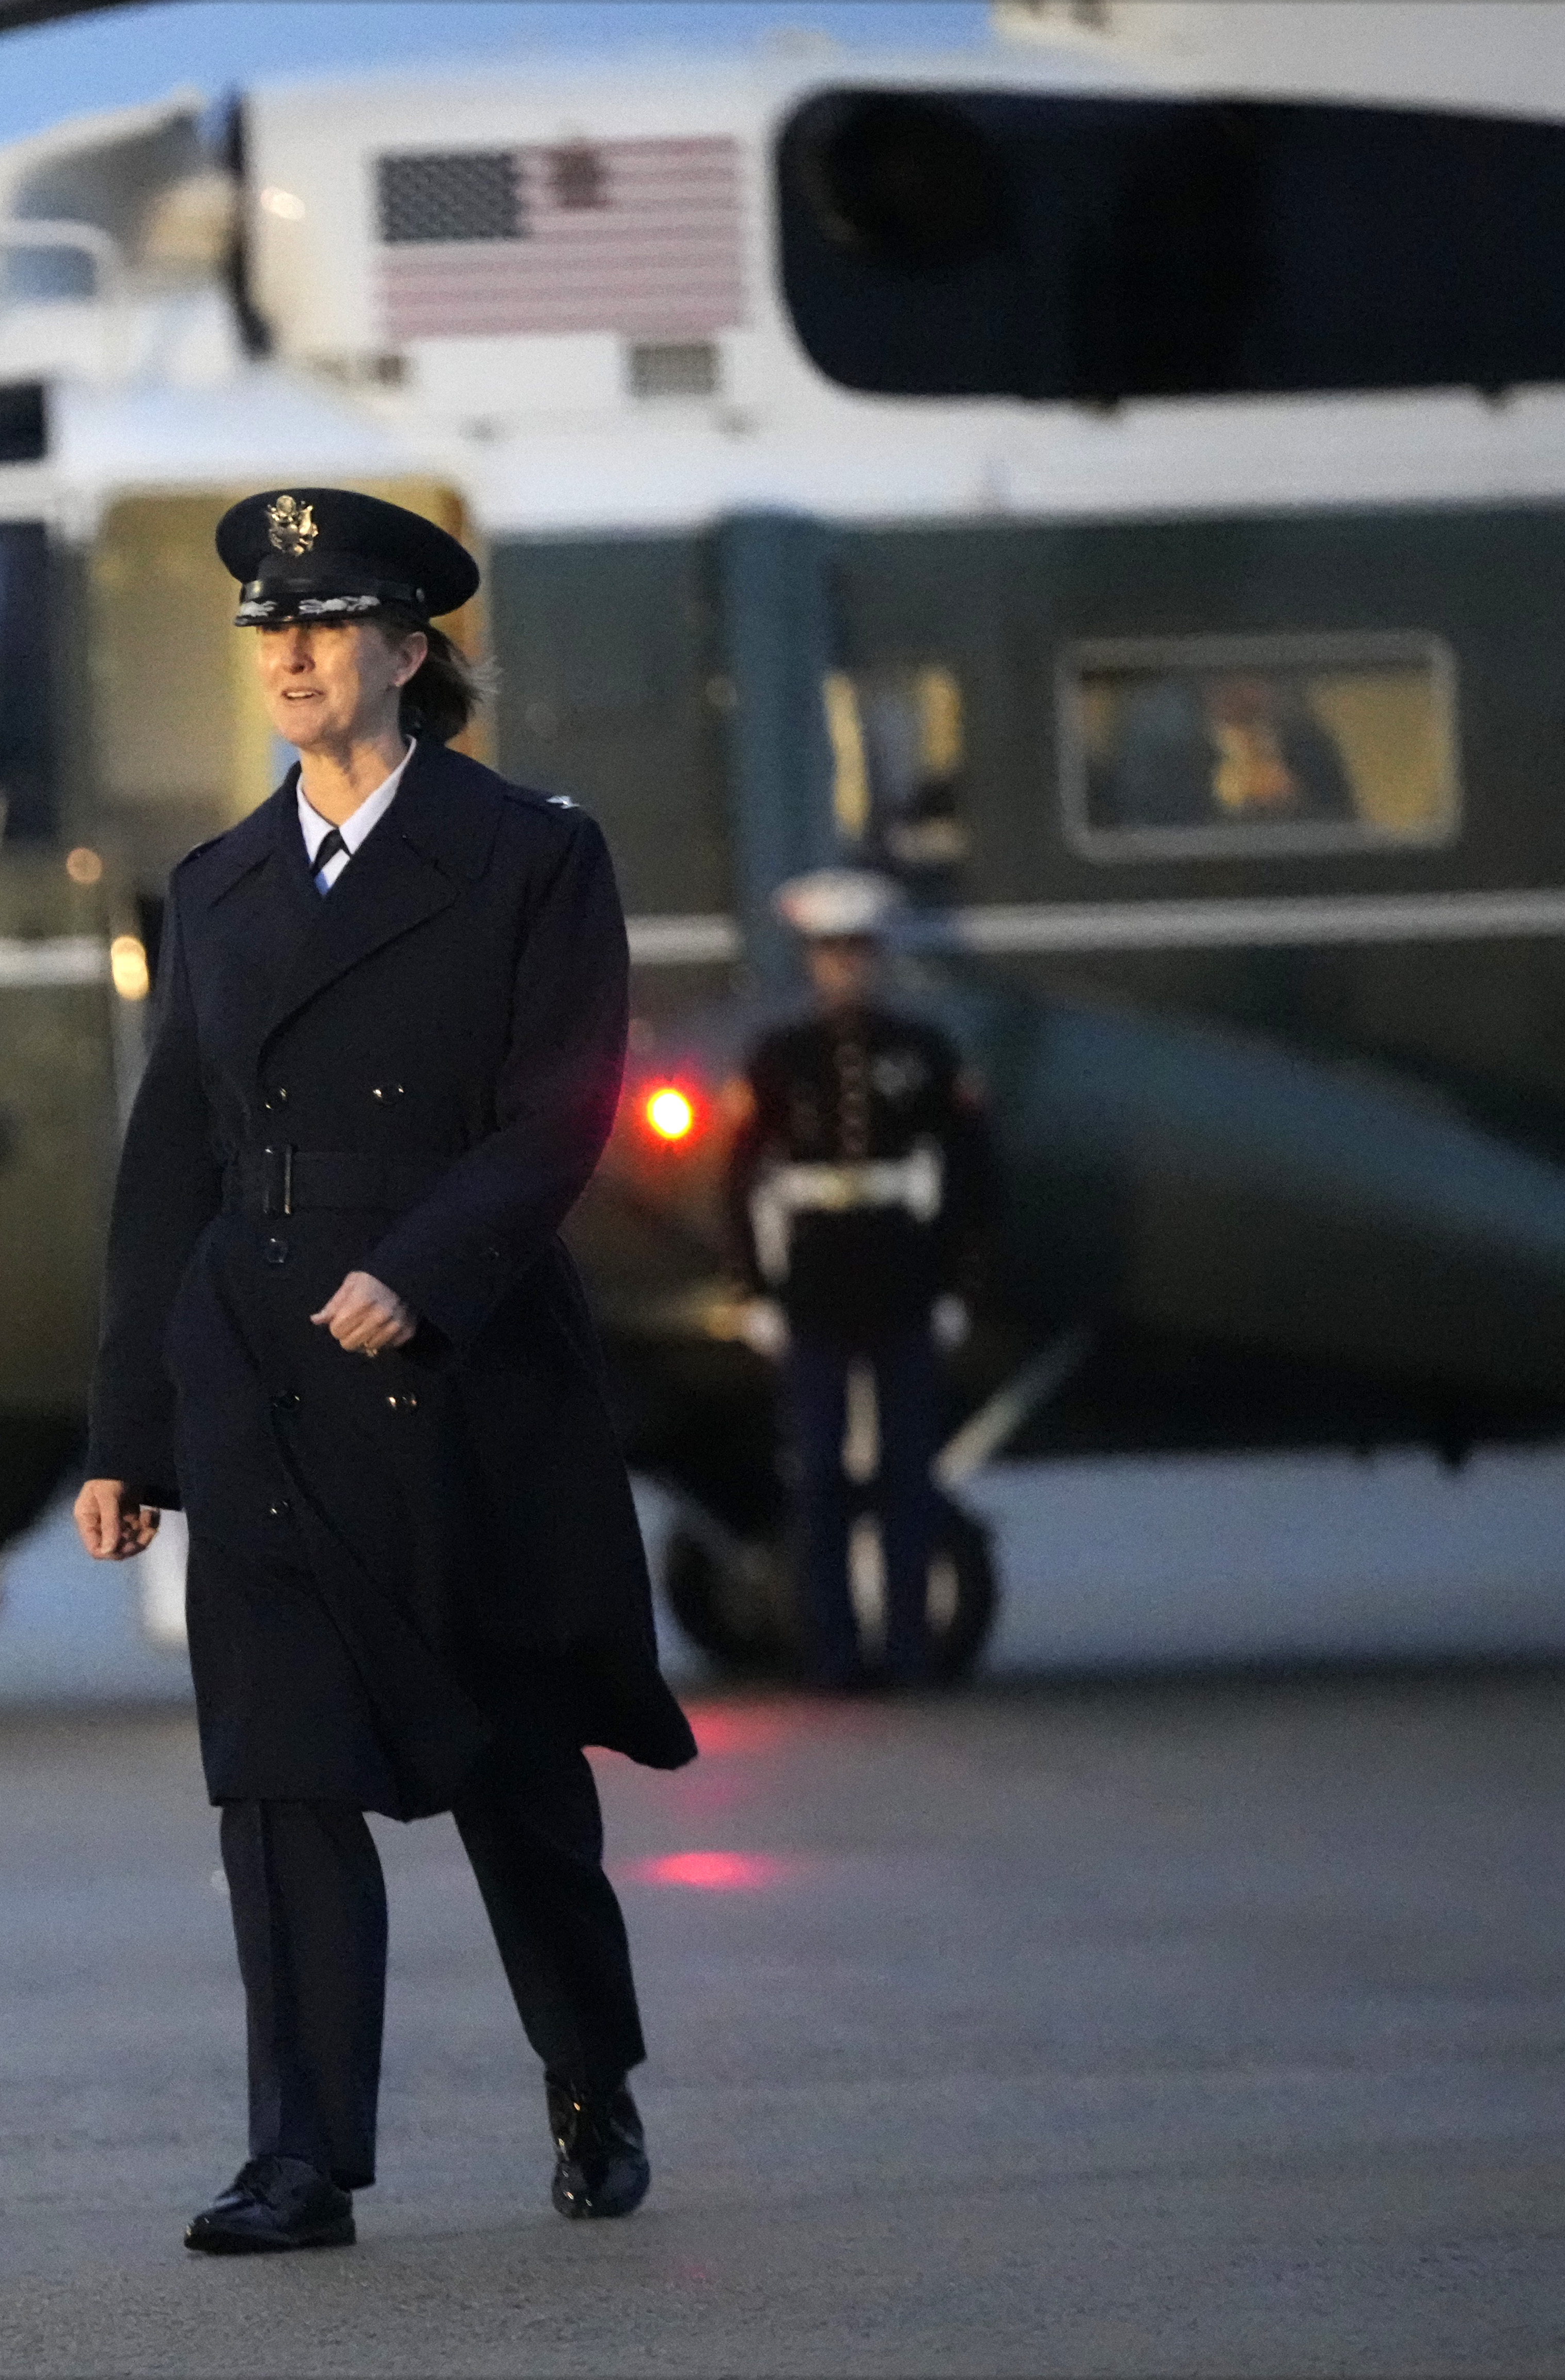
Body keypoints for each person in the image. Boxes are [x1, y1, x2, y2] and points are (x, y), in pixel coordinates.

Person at [74, 486, 698, 2256]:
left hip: (459, 1364)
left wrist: (421, 1273)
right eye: (267, 629)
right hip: (256, 1367)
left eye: (324, 625)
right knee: (276, 1775)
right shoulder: (214, 883)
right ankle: (301, 2155)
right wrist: (126, 1426)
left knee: (512, 1767)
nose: (286, 654)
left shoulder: (528, 855)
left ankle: (589, 2075)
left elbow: (561, 1104)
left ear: (410, 656)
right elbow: (167, 1162)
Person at [723, 868, 999, 1691]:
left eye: (858, 952)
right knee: (820, 1478)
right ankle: (832, 1651)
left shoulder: (921, 1053)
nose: (846, 968)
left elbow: (970, 1176)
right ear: (814, 962)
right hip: (816, 1281)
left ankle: (909, 1648)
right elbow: (742, 1179)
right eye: (831, 953)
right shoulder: (783, 1058)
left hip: (901, 1275)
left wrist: (957, 1286)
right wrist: (756, 1291)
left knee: (909, 1477)